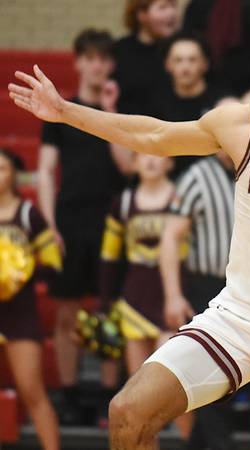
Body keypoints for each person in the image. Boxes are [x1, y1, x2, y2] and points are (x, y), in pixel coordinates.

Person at [9, 19, 250, 450]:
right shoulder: (242, 125)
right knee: (127, 413)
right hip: (237, 318)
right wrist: (66, 111)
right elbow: (155, 134)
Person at [36, 28, 131, 425]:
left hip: (112, 225)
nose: (96, 65)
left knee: (110, 313)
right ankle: (70, 394)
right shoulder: (59, 113)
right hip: (70, 224)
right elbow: (43, 171)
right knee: (67, 314)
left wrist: (110, 112)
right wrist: (49, 224)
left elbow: (127, 165)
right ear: (77, 63)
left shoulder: (117, 112)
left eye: (102, 59)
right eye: (88, 58)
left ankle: (110, 397)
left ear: (110, 65)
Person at [159, 150, 237, 448]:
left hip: (248, 286)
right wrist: (173, 295)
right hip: (207, 287)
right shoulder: (197, 176)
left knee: (227, 374)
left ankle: (199, 443)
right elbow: (170, 237)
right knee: (212, 370)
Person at [0, 148, 62, 450]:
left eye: (2, 169)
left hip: (19, 312)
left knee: (32, 390)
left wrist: (20, 269)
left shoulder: (28, 214)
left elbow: (52, 264)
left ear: (15, 175)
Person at [98, 153, 175, 376]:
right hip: (135, 300)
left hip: (173, 300)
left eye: (158, 155)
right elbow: (108, 257)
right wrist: (105, 303)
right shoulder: (122, 204)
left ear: (169, 162)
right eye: (143, 155)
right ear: (133, 163)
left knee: (173, 387)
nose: (150, 160)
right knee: (138, 384)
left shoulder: (182, 198)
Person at [148, 32, 236, 177]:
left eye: (192, 60)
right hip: (169, 185)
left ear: (205, 64)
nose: (185, 67)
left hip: (216, 183)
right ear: (167, 65)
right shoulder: (156, 102)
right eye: (178, 60)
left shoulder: (222, 102)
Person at [112, 0, 179, 115]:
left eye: (173, 6)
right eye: (163, 7)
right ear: (142, 14)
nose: (171, 13)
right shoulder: (120, 50)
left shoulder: (181, 47)